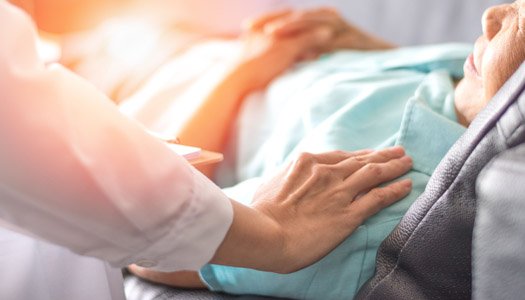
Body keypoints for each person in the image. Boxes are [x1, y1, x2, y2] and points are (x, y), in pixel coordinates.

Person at [0, 1, 414, 299]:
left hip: (144, 75)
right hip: (170, 57)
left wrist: (242, 71)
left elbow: (142, 220)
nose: (483, 20)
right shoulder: (454, 66)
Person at [129, 1, 525, 299]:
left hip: (136, 95)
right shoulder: (473, 78)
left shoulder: (368, 203)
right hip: (183, 46)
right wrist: (375, 56)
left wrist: (241, 72)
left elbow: (146, 236)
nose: (491, 15)